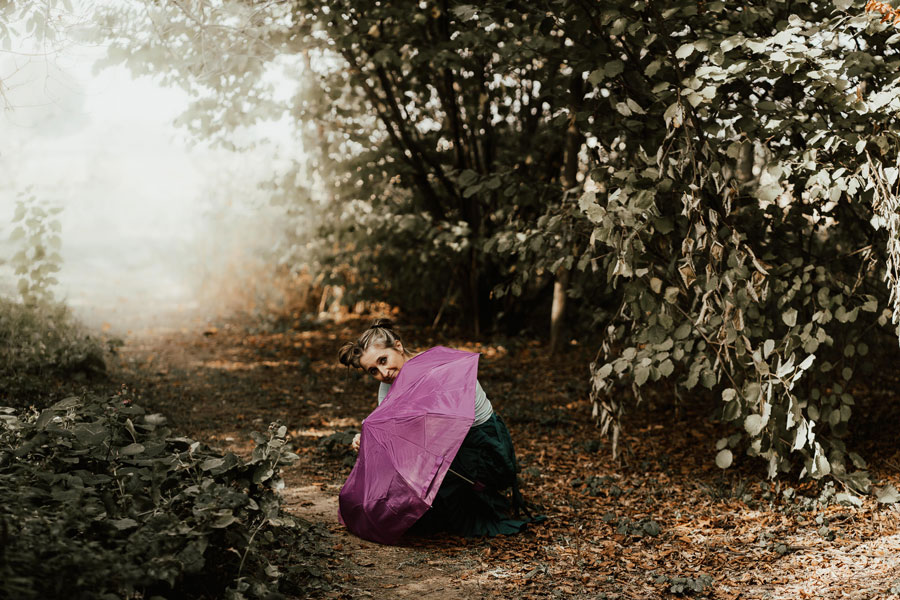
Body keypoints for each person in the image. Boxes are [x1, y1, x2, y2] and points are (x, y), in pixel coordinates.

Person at [337, 318, 538, 538]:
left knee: (448, 517)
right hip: (448, 449)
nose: (383, 372)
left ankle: (479, 496)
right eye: (373, 370)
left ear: (398, 346)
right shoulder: (387, 387)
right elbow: (391, 433)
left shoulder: (439, 367)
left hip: (483, 445)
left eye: (383, 360)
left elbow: (445, 430)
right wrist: (365, 438)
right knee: (414, 517)